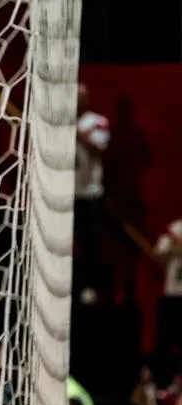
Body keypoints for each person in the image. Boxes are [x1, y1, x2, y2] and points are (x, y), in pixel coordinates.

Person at [74, 82, 110, 306]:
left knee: (91, 243)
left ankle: (91, 287)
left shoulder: (97, 122)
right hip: (67, 192)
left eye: (81, 97)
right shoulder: (62, 123)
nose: (78, 101)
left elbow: (99, 150)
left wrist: (79, 137)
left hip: (90, 192)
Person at [154, 216, 182, 370]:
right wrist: (172, 248)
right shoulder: (174, 229)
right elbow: (158, 257)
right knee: (165, 343)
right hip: (171, 296)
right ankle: (164, 381)